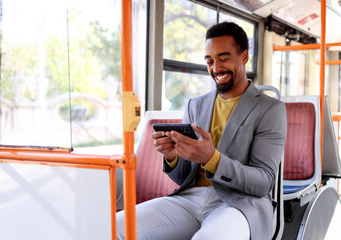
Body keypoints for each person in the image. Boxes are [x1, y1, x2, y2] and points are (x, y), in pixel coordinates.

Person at [117, 21, 287, 240]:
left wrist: (212, 159)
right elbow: (183, 178)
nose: (215, 69)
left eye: (224, 58)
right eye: (209, 61)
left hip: (239, 203)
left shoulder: (269, 109)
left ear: (244, 57)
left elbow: (263, 181)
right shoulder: (195, 105)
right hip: (190, 199)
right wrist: (172, 158)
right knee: (115, 228)